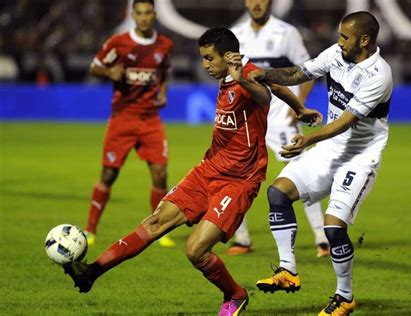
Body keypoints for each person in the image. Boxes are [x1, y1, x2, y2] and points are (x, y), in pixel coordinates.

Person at [63, 26, 320, 316]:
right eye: (203, 58)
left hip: (239, 181)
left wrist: (246, 84)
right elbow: (278, 87)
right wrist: (299, 109)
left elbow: (264, 96)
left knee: (195, 249)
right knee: (155, 222)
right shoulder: (233, 73)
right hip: (208, 170)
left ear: (228, 56)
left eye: (210, 58)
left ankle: (235, 295)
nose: (205, 65)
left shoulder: (245, 74)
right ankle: (93, 271)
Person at [251, 11, 393, 316]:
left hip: (360, 156)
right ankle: (288, 270)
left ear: (364, 40)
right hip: (330, 150)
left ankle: (345, 296)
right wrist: (265, 74)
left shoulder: (379, 75)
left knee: (333, 227)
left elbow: (345, 121)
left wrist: (308, 140)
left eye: (345, 36)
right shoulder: (336, 54)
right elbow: (300, 73)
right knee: (278, 193)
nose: (339, 41)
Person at [227, 0, 330, 258]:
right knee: (234, 175)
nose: (257, 4)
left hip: (280, 118)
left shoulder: (287, 33)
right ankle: (241, 239)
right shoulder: (236, 35)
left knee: (299, 173)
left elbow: (308, 71)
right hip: (248, 118)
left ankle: (321, 239)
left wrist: (298, 106)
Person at [84, 0, 174, 247]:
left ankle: (159, 229)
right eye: (139, 13)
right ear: (132, 14)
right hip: (123, 118)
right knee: (109, 174)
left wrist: (163, 93)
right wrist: (108, 73)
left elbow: (164, 71)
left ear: (154, 15)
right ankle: (90, 229)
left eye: (148, 13)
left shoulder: (165, 45)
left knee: (160, 174)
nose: (144, 18)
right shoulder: (119, 43)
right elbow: (95, 66)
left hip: (150, 120)